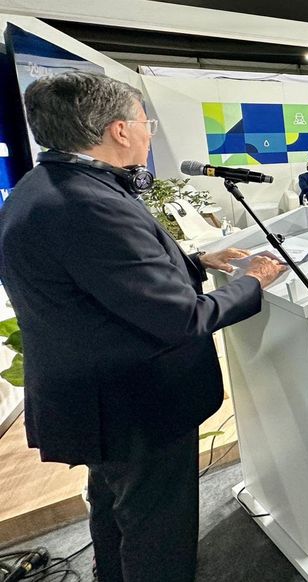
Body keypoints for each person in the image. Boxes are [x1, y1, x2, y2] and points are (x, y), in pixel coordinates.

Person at [0, 71, 286, 582]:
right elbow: (183, 318)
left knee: (115, 508)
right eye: (145, 122)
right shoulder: (89, 204)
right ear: (119, 130)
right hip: (135, 407)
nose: (149, 132)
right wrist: (255, 280)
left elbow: (102, 283)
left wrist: (196, 261)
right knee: (158, 529)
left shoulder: (45, 187)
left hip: (99, 401)